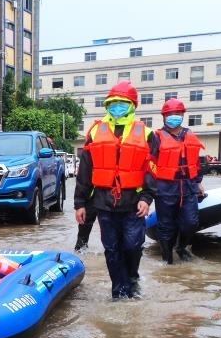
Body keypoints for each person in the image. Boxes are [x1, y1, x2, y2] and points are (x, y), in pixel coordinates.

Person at [73, 81, 157, 299]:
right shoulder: (95, 132)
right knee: (111, 249)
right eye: (113, 103)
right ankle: (118, 291)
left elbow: (152, 170)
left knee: (132, 245)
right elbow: (84, 170)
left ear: (132, 105)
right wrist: (80, 204)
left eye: (122, 103)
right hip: (104, 201)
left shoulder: (148, 134)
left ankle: (132, 278)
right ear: (108, 105)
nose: (117, 107)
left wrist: (147, 198)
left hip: (134, 202)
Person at [149, 98, 205, 264]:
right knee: (166, 226)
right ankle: (168, 260)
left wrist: (198, 182)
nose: (174, 116)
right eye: (170, 114)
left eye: (177, 114)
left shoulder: (190, 135)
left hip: (188, 186)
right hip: (164, 187)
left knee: (191, 222)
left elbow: (196, 162)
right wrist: (149, 188)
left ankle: (181, 247)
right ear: (164, 116)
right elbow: (150, 163)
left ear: (182, 115)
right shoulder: (156, 137)